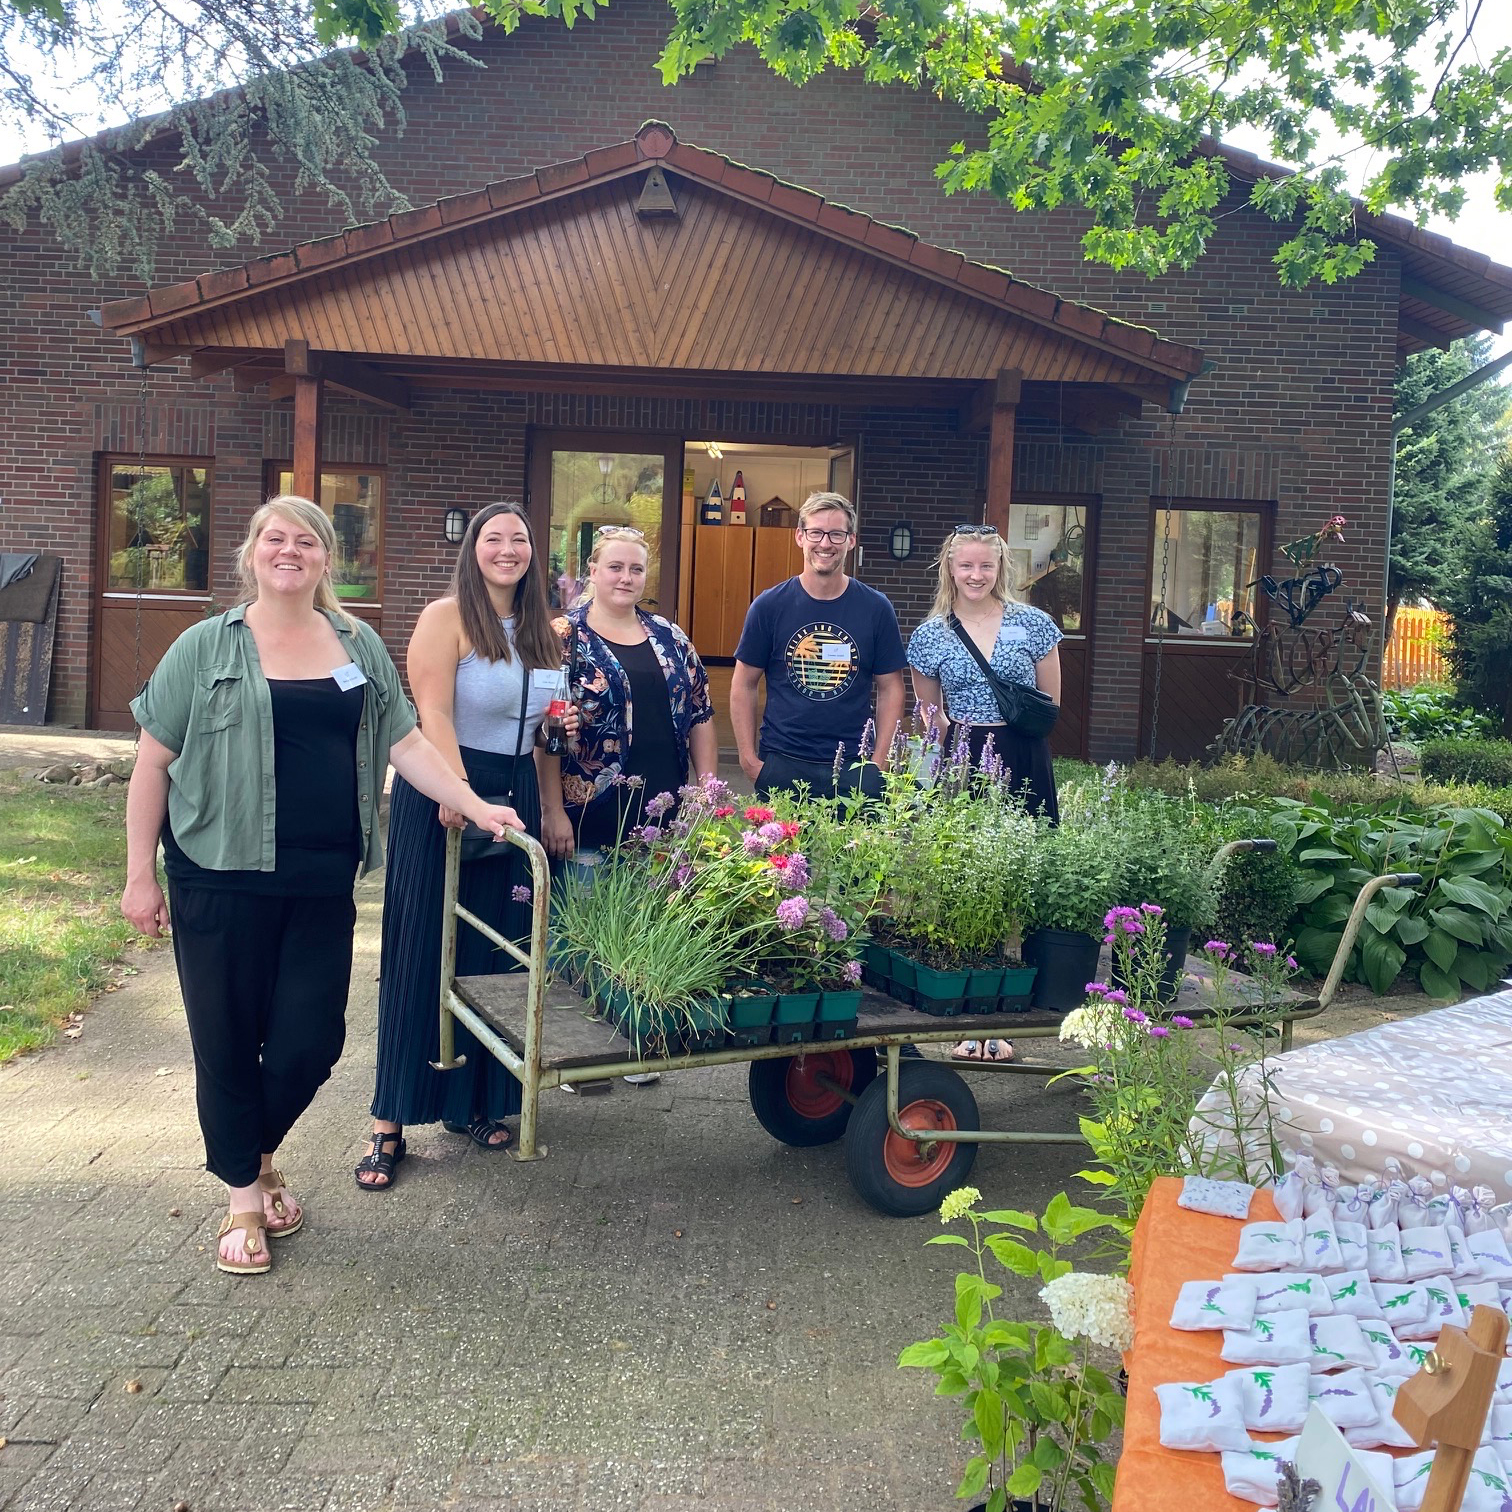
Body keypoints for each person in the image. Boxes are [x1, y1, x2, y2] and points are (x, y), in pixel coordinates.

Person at [122, 495, 522, 1274]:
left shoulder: (356, 643)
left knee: (312, 1040)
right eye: (275, 538)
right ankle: (246, 1197)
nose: (289, 551)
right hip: (217, 875)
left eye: (306, 541)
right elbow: (151, 761)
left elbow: (405, 738)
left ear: (326, 559)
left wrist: (470, 802)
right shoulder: (204, 648)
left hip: (320, 876)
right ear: (252, 553)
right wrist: (140, 873)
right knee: (228, 1042)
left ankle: (254, 1152)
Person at [359, 502, 570, 1188]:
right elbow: (433, 713)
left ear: (535, 552)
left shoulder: (547, 631)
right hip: (446, 793)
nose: (508, 549)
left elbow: (547, 735)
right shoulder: (443, 617)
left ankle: (476, 1103)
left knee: (498, 953)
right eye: (494, 538)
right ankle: (389, 1123)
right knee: (424, 949)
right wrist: (457, 795)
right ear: (474, 549)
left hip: (515, 800)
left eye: (520, 539)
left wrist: (550, 808)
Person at [553, 525, 718, 1089]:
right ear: (592, 570)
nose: (626, 578)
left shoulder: (669, 637)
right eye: (615, 567)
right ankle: (582, 1053)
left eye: (636, 569)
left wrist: (708, 787)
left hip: (660, 813)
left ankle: (635, 1041)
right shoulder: (563, 636)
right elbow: (542, 730)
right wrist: (551, 807)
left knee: (646, 929)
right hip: (588, 810)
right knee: (586, 927)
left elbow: (699, 711)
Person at [906, 523, 1063, 1067]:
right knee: (966, 886)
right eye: (965, 565)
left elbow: (1048, 708)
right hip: (962, 761)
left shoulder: (1036, 625)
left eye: (986, 566)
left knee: (1026, 877)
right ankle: (971, 1019)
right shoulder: (930, 635)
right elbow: (928, 722)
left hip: (1022, 755)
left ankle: (1017, 1014)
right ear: (949, 568)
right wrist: (924, 789)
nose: (975, 575)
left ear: (1001, 569)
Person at [730, 491, 905, 800]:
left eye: (836, 534)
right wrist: (749, 759)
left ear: (851, 540)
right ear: (800, 536)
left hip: (856, 765)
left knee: (853, 851)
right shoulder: (769, 606)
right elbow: (744, 683)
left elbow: (891, 687)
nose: (825, 544)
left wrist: (879, 762)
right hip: (782, 761)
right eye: (816, 532)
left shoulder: (876, 608)